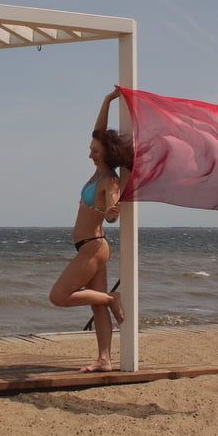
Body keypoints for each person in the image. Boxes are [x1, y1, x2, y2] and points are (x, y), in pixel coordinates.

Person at [48, 88, 133, 372]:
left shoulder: (109, 180)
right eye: (90, 150)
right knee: (95, 307)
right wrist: (107, 100)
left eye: (95, 151)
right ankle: (105, 360)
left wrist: (111, 212)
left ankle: (112, 298)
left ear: (107, 152)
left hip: (94, 246)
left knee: (58, 296)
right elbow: (98, 130)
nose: (90, 155)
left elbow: (111, 213)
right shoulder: (98, 172)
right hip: (91, 246)